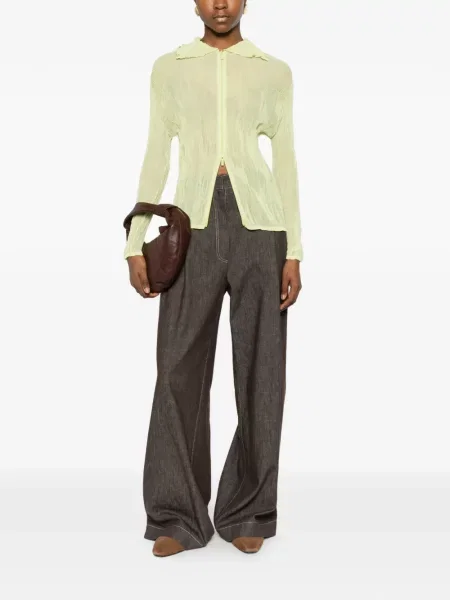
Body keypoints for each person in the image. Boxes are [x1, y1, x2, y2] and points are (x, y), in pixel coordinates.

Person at [124, 0, 303, 557]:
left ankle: (249, 509)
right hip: (191, 228)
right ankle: (176, 516)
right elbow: (157, 153)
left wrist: (294, 251)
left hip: (261, 230)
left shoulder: (272, 71)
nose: (220, 3)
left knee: (262, 373)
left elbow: (286, 161)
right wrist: (135, 238)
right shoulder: (170, 67)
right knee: (175, 370)